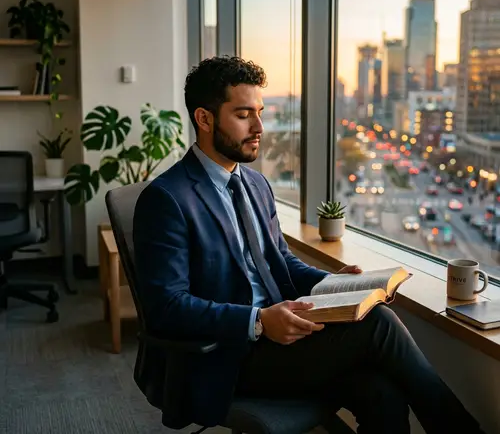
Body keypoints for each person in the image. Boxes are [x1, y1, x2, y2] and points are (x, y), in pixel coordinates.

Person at [133, 56, 485, 433]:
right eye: (243, 115)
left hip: (286, 338)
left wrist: (333, 283)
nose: (259, 127)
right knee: (377, 324)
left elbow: (278, 262)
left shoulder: (255, 184)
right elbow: (166, 308)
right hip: (227, 356)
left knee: (381, 393)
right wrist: (258, 322)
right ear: (204, 119)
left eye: (261, 112)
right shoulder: (167, 199)